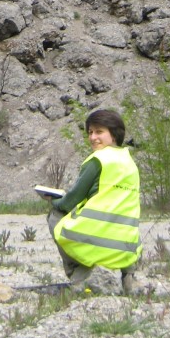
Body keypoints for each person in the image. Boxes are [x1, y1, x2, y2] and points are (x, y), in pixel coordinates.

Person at [48, 108, 142, 294]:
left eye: (99, 131)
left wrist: (54, 201)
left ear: (114, 134)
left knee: (55, 216)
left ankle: (78, 275)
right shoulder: (129, 162)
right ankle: (128, 277)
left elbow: (71, 201)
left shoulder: (97, 160)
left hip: (99, 239)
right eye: (90, 132)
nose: (92, 137)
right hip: (127, 246)